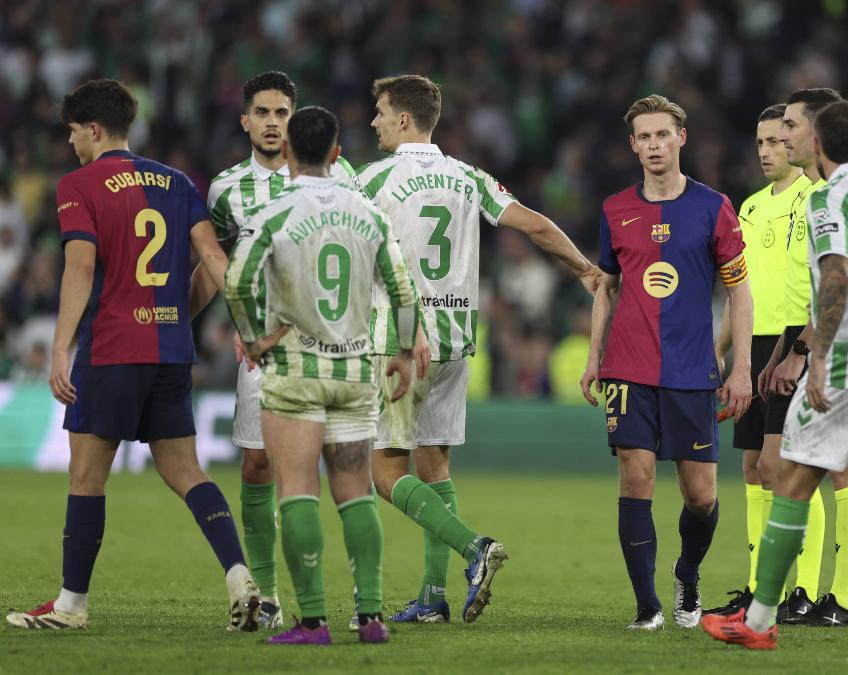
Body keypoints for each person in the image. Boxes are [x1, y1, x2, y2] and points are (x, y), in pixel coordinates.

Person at [6, 79, 261, 631]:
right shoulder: (176, 182)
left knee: (86, 476)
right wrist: (247, 323)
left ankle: (71, 605)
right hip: (171, 351)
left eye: (73, 131)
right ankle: (239, 574)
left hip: (113, 349)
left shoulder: (78, 185)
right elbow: (213, 259)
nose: (71, 142)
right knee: (186, 471)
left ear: (94, 129)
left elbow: (79, 267)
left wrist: (59, 345)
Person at [356, 74, 600, 625]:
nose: (373, 121)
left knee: (386, 472)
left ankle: (474, 549)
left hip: (399, 341)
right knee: (435, 464)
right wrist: (583, 267)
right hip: (456, 341)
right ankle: (431, 598)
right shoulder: (469, 177)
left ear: (402, 119)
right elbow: (535, 226)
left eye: (380, 111)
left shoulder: (372, 181)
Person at [703, 101, 848, 656]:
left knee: (788, 477)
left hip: (845, 358)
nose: (784, 140)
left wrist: (810, 354)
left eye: (791, 129)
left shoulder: (828, 199)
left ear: (817, 139)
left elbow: (834, 277)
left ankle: (763, 618)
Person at [225, 106, 419, 645]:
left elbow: (238, 282)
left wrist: (255, 338)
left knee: (297, 491)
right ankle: (372, 617)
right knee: (356, 492)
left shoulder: (274, 211)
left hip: (296, 375)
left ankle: (311, 622)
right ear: (337, 154)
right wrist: (403, 352)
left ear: (286, 152)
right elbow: (403, 290)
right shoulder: (368, 211)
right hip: (357, 373)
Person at [581, 94, 753, 631]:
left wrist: (742, 367)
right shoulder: (615, 209)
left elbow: (740, 292)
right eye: (644, 138)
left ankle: (687, 574)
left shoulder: (713, 206)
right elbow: (605, 287)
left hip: (691, 371)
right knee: (635, 480)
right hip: (628, 368)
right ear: (632, 146)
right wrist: (594, 359)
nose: (654, 145)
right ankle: (646, 606)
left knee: (701, 498)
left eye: (663, 135)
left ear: (682, 138)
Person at [706, 91, 848, 628]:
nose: (767, 150)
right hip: (757, 343)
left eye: (778, 139)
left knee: (796, 469)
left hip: (801, 341)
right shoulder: (751, 207)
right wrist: (721, 348)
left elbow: (819, 284)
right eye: (760, 142)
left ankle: (802, 589)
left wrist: (799, 348)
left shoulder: (816, 197)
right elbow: (743, 290)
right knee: (755, 466)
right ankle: (764, 587)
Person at [204, 70, 360, 630]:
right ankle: (265, 595)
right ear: (245, 121)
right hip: (262, 350)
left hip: (334, 343)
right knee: (256, 466)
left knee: (343, 470)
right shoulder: (225, 191)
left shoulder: (339, 176)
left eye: (282, 113)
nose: (273, 124)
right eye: (263, 114)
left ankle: (360, 601)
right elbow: (217, 261)